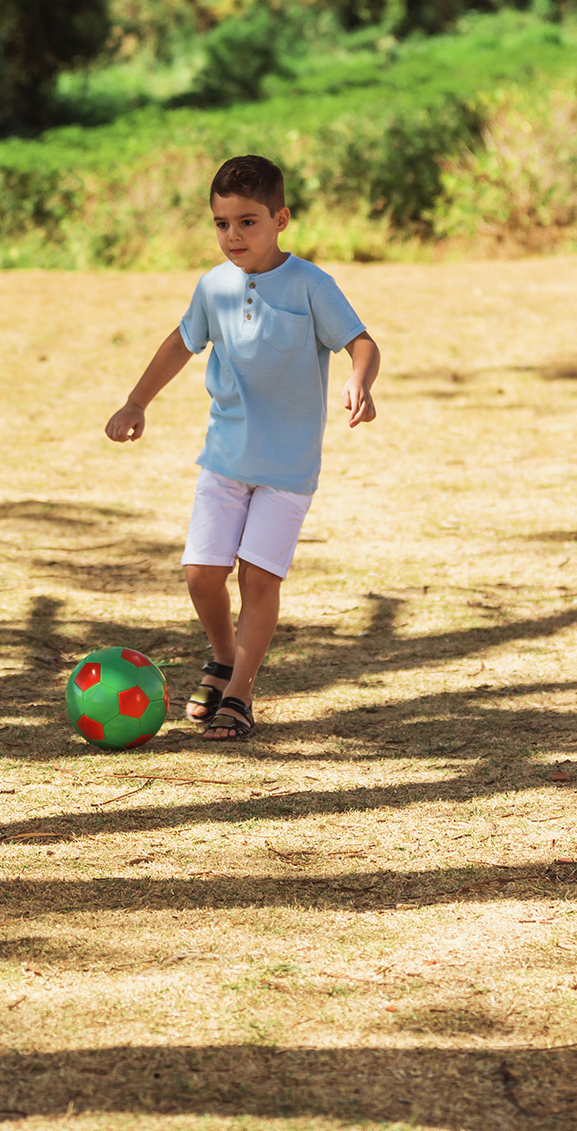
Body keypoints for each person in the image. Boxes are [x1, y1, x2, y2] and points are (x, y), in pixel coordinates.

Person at [104, 154, 380, 740]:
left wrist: (360, 378)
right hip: (225, 456)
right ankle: (223, 655)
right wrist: (136, 401)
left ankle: (240, 692)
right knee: (202, 572)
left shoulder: (310, 285)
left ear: (280, 219)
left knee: (258, 577)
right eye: (222, 223)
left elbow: (361, 343)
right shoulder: (213, 286)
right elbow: (180, 344)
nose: (233, 235)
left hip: (287, 466)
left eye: (248, 222)